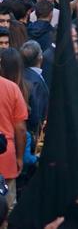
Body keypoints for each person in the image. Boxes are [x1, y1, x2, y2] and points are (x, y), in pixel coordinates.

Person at [0, 56, 28, 209]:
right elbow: (21, 129)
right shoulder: (11, 88)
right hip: (6, 157)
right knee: (8, 207)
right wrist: (19, 157)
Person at [20, 40, 49, 138]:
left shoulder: (21, 75)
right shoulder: (36, 82)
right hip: (33, 134)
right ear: (40, 57)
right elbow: (37, 114)